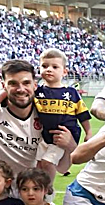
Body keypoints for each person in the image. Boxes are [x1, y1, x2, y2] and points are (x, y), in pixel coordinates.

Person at [31, 48, 91, 177]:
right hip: (44, 136)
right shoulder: (37, 92)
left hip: (63, 135)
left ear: (64, 72)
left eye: (54, 67)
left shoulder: (71, 93)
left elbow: (83, 114)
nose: (49, 69)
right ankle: (41, 187)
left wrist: (88, 133)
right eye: (44, 66)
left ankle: (49, 186)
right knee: (38, 165)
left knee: (48, 162)